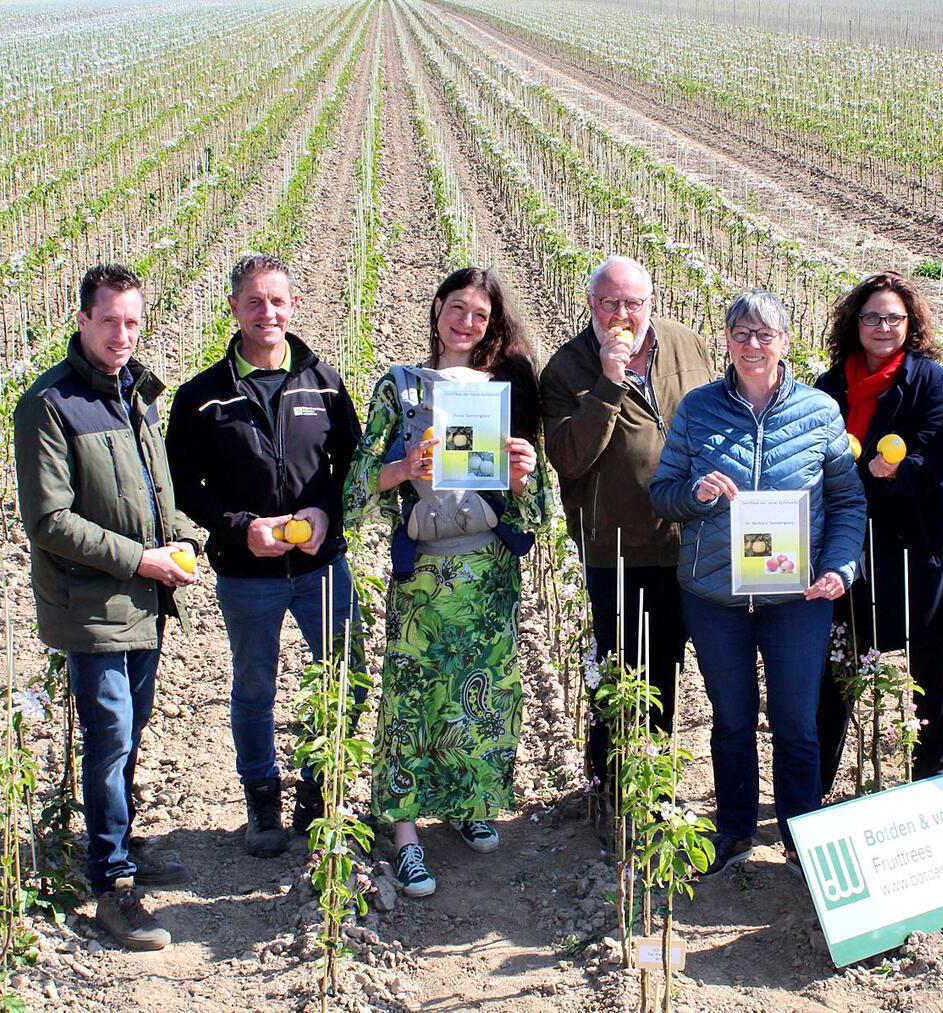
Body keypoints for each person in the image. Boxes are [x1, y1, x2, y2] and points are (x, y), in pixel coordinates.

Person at [344, 266, 550, 897]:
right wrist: (402, 467)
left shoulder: (503, 393)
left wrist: (524, 472)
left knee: (480, 697)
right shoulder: (400, 390)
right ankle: (403, 832)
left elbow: (536, 512)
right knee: (412, 700)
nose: (466, 320)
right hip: (425, 575)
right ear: (436, 309)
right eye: (457, 307)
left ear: (491, 327)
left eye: (480, 315)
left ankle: (467, 804)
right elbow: (355, 487)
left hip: (489, 576)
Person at [649, 290, 866, 877]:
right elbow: (662, 492)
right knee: (733, 719)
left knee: (796, 721)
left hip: (797, 598)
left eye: (764, 335)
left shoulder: (819, 412)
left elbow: (847, 502)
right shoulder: (697, 409)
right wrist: (694, 495)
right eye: (741, 333)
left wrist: (840, 566)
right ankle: (736, 831)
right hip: (715, 593)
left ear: (785, 344)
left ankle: (801, 839)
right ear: (725, 340)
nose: (752, 345)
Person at [14, 265, 196, 950]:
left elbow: (157, 491)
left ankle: (116, 834)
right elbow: (50, 519)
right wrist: (140, 559)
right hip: (91, 603)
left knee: (132, 724)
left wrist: (184, 540)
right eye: (110, 320)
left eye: (133, 322)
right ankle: (111, 886)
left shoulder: (136, 396)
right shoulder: (51, 404)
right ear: (83, 319)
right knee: (110, 732)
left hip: (144, 598)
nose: (123, 334)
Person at [166, 253, 363, 858]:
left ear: (293, 306)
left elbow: (351, 465)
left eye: (277, 301)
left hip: (321, 566)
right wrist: (242, 527)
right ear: (234, 309)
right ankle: (261, 797)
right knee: (255, 686)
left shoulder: (324, 383)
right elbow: (182, 486)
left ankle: (317, 787)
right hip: (248, 573)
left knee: (344, 681)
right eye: (254, 301)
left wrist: (325, 512)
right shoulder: (202, 397)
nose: (267, 313)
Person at [540, 256, 714, 795]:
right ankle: (616, 790)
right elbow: (569, 458)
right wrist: (609, 384)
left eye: (633, 303)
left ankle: (663, 784)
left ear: (651, 304)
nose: (622, 314)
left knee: (689, 671)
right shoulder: (567, 369)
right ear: (590, 306)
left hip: (696, 541)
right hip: (619, 548)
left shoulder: (689, 346)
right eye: (609, 303)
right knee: (627, 677)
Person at [814, 273, 943, 790]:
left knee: (934, 678)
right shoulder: (830, 387)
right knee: (833, 671)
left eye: (894, 318)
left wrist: (893, 471)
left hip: (926, 543)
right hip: (855, 545)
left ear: (911, 324)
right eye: (872, 317)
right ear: (854, 323)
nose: (883, 327)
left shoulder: (934, 382)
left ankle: (935, 788)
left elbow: (938, 453)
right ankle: (815, 795)